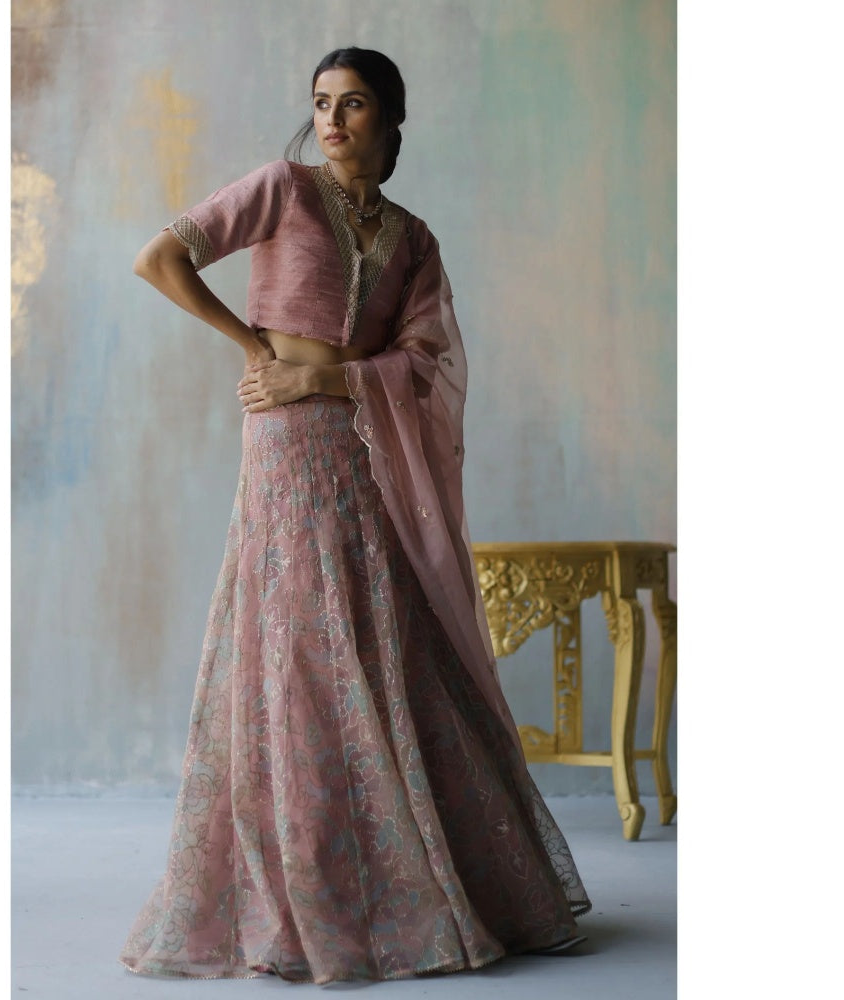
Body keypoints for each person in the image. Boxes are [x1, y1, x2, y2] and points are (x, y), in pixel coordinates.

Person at [119, 47, 591, 984]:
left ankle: (420, 881)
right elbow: (159, 257)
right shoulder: (282, 189)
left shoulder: (414, 240)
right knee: (297, 646)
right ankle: (309, 893)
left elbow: (425, 362)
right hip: (285, 443)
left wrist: (327, 379)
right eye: (322, 103)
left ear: (391, 118)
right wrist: (253, 347)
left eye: (355, 103)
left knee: (386, 635)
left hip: (362, 444)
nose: (332, 120)